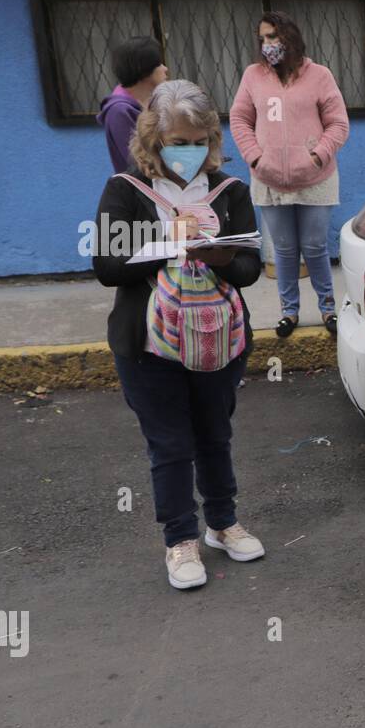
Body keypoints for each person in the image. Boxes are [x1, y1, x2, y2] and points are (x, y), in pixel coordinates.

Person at [92, 80, 265, 590]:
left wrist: (222, 255)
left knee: (215, 435)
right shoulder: (124, 190)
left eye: (196, 140)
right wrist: (171, 241)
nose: (186, 152)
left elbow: (252, 267)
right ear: (151, 139)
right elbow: (107, 265)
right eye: (175, 140)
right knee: (169, 444)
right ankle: (180, 540)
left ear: (211, 139)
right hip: (147, 345)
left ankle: (222, 523)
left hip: (216, 338)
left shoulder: (230, 191)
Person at [230, 10, 349, 337]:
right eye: (263, 38)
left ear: (290, 36)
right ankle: (289, 312)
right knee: (283, 249)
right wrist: (255, 158)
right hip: (269, 179)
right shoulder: (253, 76)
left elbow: (338, 123)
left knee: (314, 246)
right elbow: (239, 119)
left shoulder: (319, 75)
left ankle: (328, 309)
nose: (268, 44)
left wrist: (317, 156)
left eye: (273, 36)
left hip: (315, 178)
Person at [97, 36, 168, 173]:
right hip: (144, 190)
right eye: (159, 64)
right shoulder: (119, 111)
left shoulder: (152, 102)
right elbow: (139, 161)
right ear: (145, 69)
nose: (165, 68)